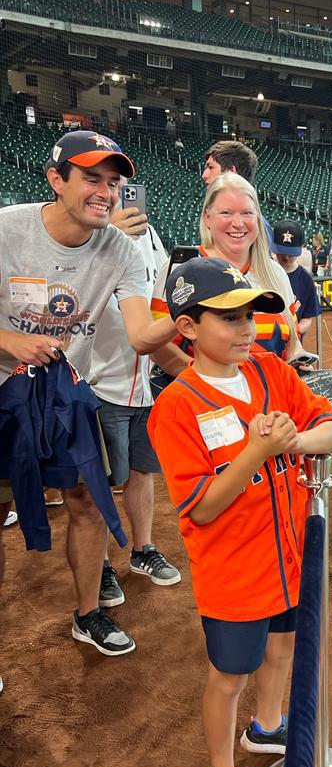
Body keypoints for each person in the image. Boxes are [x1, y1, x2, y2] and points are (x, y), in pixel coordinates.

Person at [148, 257, 332, 767]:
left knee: (282, 647)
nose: (246, 328)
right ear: (187, 327)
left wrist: (295, 440)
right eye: (229, 318)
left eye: (250, 316)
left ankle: (267, 726)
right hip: (233, 571)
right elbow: (203, 507)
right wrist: (259, 451)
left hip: (289, 556)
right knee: (230, 674)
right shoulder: (175, 407)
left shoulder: (269, 369)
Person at [0, 130, 177, 657]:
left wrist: (192, 317)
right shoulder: (8, 230)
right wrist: (11, 341)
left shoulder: (121, 249)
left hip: (62, 399)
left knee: (89, 504)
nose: (106, 192)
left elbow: (141, 334)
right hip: (4, 396)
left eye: (114, 182)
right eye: (91, 179)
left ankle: (87, 614)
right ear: (56, 180)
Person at [90, 177, 182, 608]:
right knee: (99, 482)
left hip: (143, 380)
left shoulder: (148, 234)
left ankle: (142, 549)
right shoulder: (89, 237)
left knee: (142, 471)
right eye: (107, 184)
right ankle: (100, 564)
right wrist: (109, 238)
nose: (116, 193)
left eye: (122, 184)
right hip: (100, 380)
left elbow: (161, 290)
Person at [152, 174, 299, 364]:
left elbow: (293, 342)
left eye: (247, 213)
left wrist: (298, 361)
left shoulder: (275, 272)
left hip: (274, 382)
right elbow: (158, 347)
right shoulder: (182, 270)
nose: (238, 223)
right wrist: (208, 379)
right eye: (226, 213)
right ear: (207, 217)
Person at [272, 219, 321, 338]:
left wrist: (293, 332)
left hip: (293, 341)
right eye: (281, 252)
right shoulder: (264, 271)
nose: (286, 257)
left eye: (291, 253)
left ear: (302, 246)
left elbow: (307, 318)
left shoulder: (305, 278)